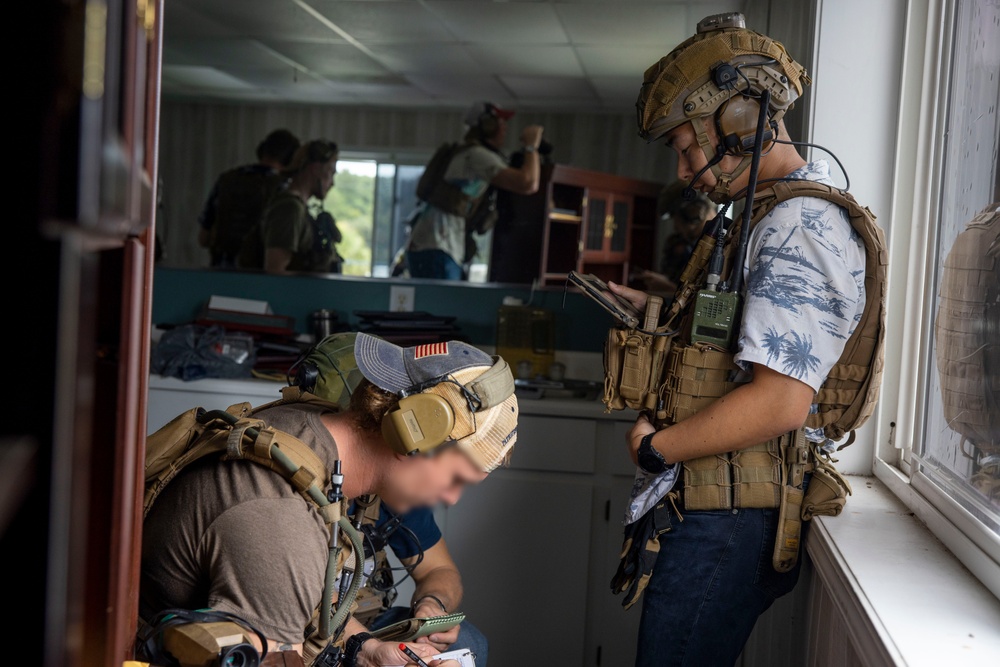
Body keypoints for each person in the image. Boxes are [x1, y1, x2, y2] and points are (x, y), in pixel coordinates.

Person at [606, 12, 882, 666]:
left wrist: (656, 450)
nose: (683, 170)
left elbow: (780, 400)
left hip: (728, 517)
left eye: (684, 145)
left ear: (732, 125)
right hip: (718, 501)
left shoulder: (799, 225)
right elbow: (743, 343)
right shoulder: (769, 216)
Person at [139, 333, 519, 667]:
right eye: (455, 479)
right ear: (412, 435)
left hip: (272, 630)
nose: (450, 499)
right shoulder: (281, 521)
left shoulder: (306, 427)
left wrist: (363, 650)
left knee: (469, 643)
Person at [405, 101, 545, 280]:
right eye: (501, 123)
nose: (505, 129)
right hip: (439, 247)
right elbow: (528, 183)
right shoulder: (476, 155)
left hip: (433, 244)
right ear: (488, 125)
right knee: (439, 307)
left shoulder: (466, 153)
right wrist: (531, 147)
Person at [348, 501, 490, 665]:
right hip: (321, 624)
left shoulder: (391, 496)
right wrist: (365, 648)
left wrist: (431, 603)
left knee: (468, 640)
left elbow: (437, 569)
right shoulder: (314, 502)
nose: (451, 499)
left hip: (368, 619)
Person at [197, 128, 301, 268]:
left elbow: (203, 238)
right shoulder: (285, 189)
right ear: (291, 159)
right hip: (259, 277)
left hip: (220, 273)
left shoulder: (226, 180)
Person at [237, 139, 342, 274]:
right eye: (330, 172)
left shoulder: (298, 207)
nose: (332, 183)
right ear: (315, 168)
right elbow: (275, 271)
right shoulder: (289, 208)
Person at [633, 180, 716, 296]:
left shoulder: (725, 246)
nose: (675, 226)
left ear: (693, 212)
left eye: (674, 217)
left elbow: (709, 303)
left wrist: (670, 288)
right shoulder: (679, 244)